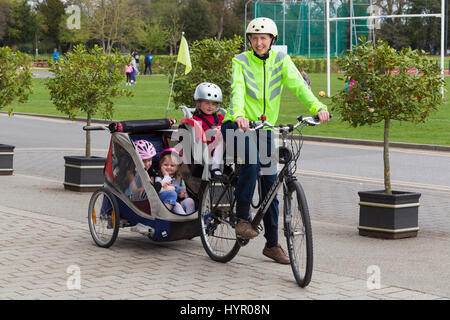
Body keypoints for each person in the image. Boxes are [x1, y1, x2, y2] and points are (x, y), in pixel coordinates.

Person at [221, 17, 330, 264]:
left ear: (272, 40)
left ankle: (272, 245)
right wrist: (238, 115)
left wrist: (318, 107)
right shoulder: (240, 61)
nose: (259, 43)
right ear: (249, 40)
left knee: (271, 185)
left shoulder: (281, 61)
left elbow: (299, 86)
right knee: (250, 161)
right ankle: (242, 219)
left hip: (264, 128)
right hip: (236, 124)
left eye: (263, 38)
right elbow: (237, 89)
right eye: (254, 38)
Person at [192, 82, 224, 179]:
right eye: (207, 103)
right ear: (198, 103)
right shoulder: (197, 119)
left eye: (214, 104)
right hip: (206, 147)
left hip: (224, 147)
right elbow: (198, 136)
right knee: (223, 135)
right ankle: (215, 167)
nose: (210, 107)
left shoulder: (220, 117)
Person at [155, 149, 195, 215]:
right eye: (165, 165)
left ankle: (191, 217)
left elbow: (184, 192)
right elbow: (158, 191)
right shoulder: (158, 178)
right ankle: (185, 220)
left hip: (179, 201)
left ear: (177, 167)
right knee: (176, 205)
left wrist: (183, 195)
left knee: (190, 201)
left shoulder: (179, 179)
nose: (168, 167)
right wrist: (166, 176)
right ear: (160, 165)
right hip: (166, 204)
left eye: (172, 165)